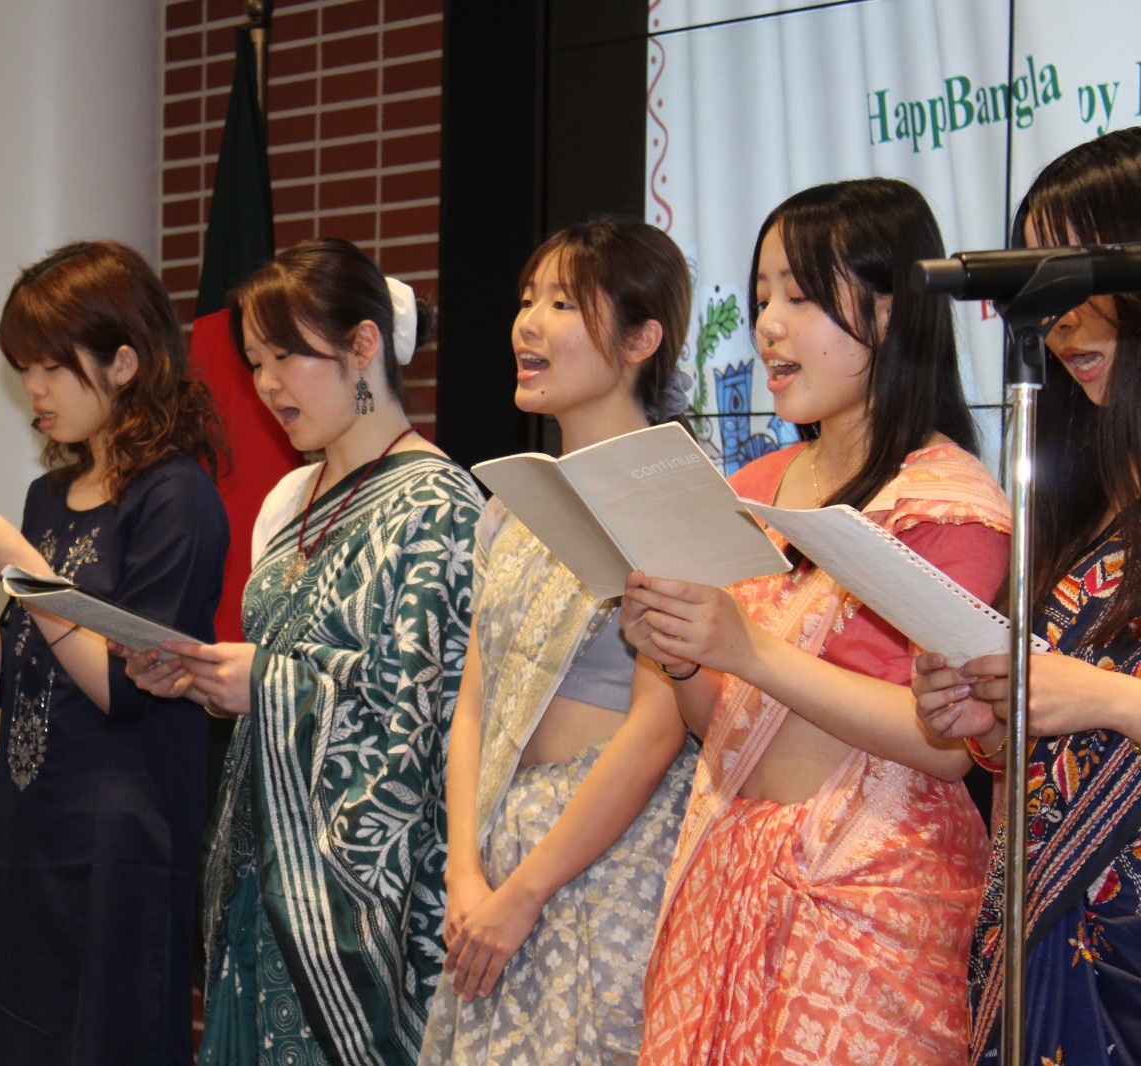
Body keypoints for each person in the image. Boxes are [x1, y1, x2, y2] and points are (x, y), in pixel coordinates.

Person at [621, 178, 1012, 1064]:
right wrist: (682, 657)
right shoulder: (751, 490)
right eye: (762, 296)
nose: (767, 324)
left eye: (800, 297)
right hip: (727, 882)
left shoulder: (946, 504)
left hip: (873, 901)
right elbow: (717, 722)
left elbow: (945, 744)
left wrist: (747, 647)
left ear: (888, 311)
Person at [117, 237, 484, 1066]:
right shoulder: (299, 500)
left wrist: (272, 685)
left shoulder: (436, 502)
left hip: (349, 913)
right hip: (264, 879)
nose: (267, 384)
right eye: (254, 361)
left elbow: (422, 718)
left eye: (287, 356)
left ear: (362, 347)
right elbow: (297, 667)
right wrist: (206, 681)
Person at [0, 239, 229, 1065]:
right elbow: (15, 675)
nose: (32, 389)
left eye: (49, 367)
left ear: (123, 362)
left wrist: (27, 574)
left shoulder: (177, 494)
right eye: (22, 368)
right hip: (34, 820)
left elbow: (124, 687)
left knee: (108, 1042)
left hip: (123, 839)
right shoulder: (48, 496)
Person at [415, 219, 698, 1065]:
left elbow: (661, 726)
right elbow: (474, 703)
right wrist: (467, 871)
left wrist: (527, 889)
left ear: (641, 339)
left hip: (602, 869)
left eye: (563, 303)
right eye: (527, 300)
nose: (527, 324)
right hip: (492, 863)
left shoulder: (672, 498)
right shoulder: (510, 504)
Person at [913, 126, 1141, 1064]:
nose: (1059, 318)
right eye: (1041, 288)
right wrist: (983, 714)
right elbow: (1047, 747)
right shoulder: (1083, 502)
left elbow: (1095, 701)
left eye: (1079, 274)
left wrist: (1100, 697)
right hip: (1045, 956)